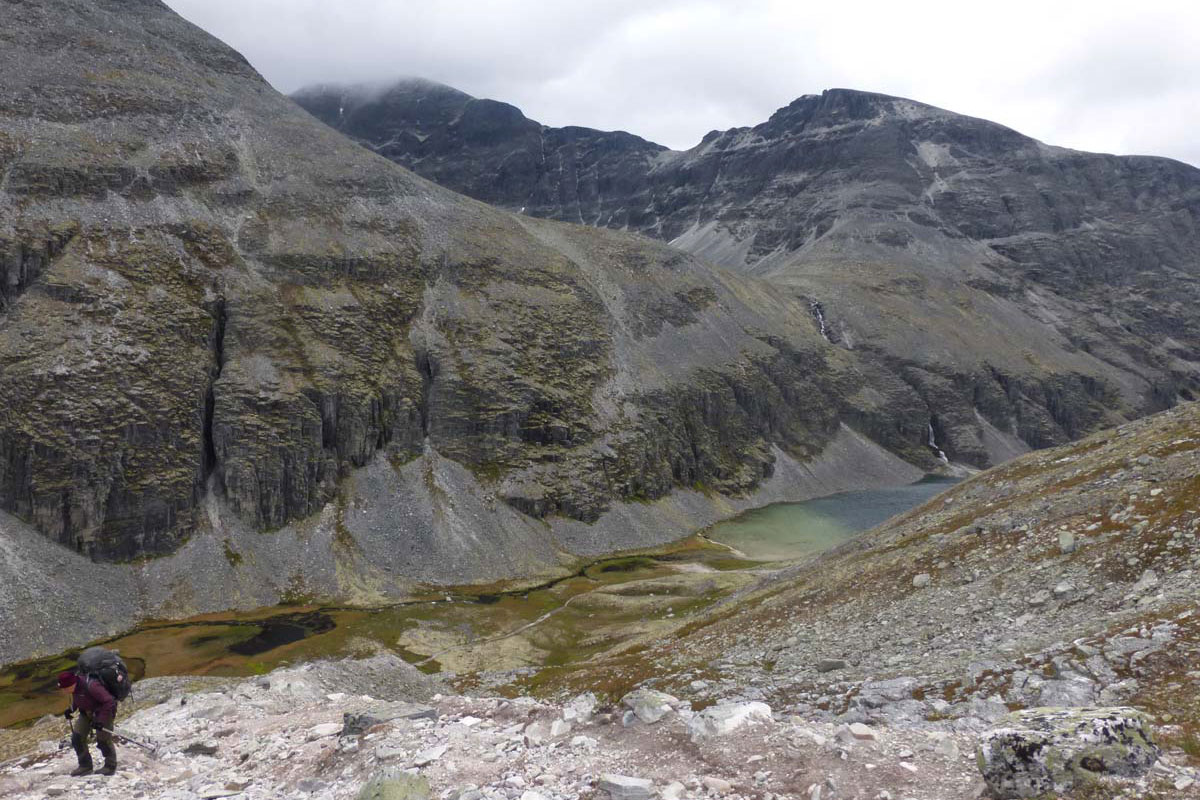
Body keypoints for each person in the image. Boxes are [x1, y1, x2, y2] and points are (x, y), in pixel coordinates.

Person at [57, 670, 118, 776]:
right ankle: (85, 766)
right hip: (86, 713)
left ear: (72, 684)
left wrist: (101, 721)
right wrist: (71, 710)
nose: (64, 691)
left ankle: (110, 766)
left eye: (65, 688)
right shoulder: (75, 688)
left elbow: (109, 701)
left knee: (103, 739)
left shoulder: (92, 686)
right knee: (77, 738)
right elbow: (78, 699)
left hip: (103, 713)